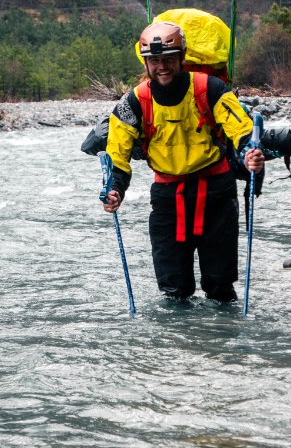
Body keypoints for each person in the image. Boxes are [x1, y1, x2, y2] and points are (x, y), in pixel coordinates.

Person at [101, 21, 264, 302]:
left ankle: (223, 340)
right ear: (145, 63)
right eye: (154, 61)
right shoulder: (133, 102)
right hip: (167, 199)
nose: (161, 66)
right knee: (173, 290)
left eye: (168, 59)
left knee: (220, 287)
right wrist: (115, 190)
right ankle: (176, 344)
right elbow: (118, 154)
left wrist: (250, 151)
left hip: (217, 194)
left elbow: (241, 128)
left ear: (182, 58)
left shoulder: (211, 89)